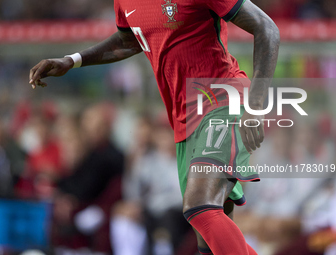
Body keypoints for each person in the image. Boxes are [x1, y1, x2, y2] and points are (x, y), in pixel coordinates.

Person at [29, 0, 280, 254]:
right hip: (185, 123)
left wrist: (255, 105)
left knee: (200, 207)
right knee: (209, 244)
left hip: (222, 102)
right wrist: (73, 60)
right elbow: (129, 40)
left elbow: (266, 28)